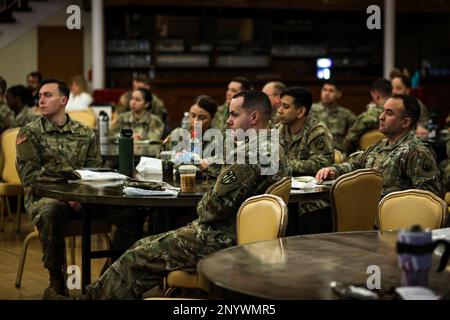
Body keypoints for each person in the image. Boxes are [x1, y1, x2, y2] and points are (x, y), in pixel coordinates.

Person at [48, 90, 289, 299]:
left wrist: (205, 200)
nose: (228, 121)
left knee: (138, 253)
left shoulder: (250, 153)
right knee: (143, 244)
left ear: (255, 117)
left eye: (234, 114)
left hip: (223, 238)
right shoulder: (272, 145)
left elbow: (211, 209)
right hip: (243, 235)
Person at [16, 78, 102, 298]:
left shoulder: (85, 132)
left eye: (47, 95)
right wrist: (67, 198)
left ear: (63, 100)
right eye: (40, 96)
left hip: (83, 199)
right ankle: (57, 283)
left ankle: (110, 278)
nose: (41, 100)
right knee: (51, 211)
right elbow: (32, 178)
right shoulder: (30, 132)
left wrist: (82, 197)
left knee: (130, 211)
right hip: (45, 199)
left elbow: (95, 172)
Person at [316, 94, 441, 198]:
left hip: (393, 220)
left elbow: (428, 197)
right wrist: (333, 171)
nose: (381, 117)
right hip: (366, 213)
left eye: (389, 113)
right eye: (383, 111)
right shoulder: (379, 146)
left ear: (405, 122)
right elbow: (354, 165)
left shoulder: (416, 152)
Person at [277, 86, 334, 233]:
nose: (279, 111)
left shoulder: (317, 132)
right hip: (285, 195)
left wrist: (286, 165)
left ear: (301, 111)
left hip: (311, 200)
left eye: (285, 106)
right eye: (280, 105)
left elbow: (322, 163)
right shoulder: (279, 130)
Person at [162, 95, 221, 175]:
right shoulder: (178, 134)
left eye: (202, 118)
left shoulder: (218, 138)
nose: (195, 121)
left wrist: (207, 164)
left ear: (212, 119)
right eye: (192, 115)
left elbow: (223, 165)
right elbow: (161, 159)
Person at [342, 78, 392, 155]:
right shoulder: (400, 114)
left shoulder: (368, 116)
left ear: (376, 95)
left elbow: (350, 140)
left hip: (370, 159)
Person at [310, 80, 356, 152]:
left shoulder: (345, 113)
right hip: (314, 151)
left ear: (338, 94)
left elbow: (356, 129)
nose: (327, 93)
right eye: (324, 90)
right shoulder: (310, 110)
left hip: (337, 152)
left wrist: (345, 144)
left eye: (331, 91)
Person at [390, 72, 430, 137]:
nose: (394, 91)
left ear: (407, 90)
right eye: (392, 88)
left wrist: (420, 127)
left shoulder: (416, 104)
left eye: (398, 88)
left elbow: (425, 123)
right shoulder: (389, 104)